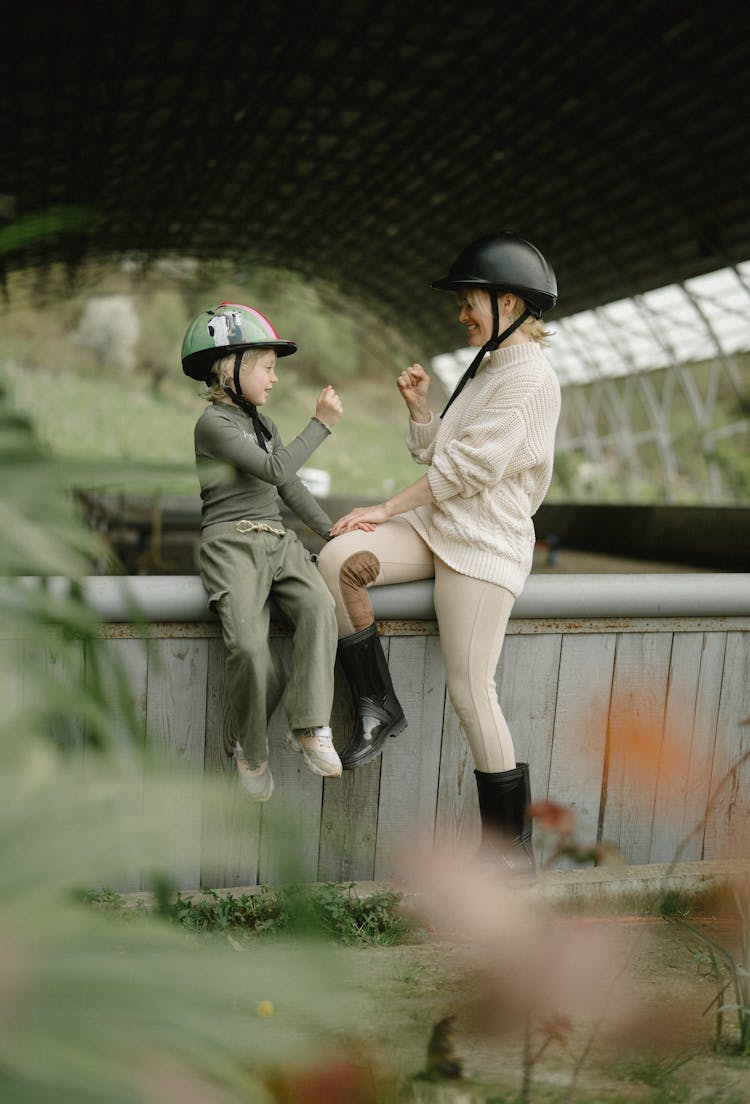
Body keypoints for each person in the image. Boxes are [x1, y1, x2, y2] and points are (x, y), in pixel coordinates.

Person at [317, 233, 560, 879]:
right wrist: (423, 410)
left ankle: (509, 849)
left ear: (509, 300)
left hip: (482, 543)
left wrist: (386, 507)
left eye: (469, 301)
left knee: (471, 690)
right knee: (337, 558)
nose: (461, 314)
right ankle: (378, 703)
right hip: (438, 522)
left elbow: (470, 471)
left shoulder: (531, 377)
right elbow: (443, 454)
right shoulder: (487, 365)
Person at [181, 301, 344, 801]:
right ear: (232, 367)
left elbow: (289, 487)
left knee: (320, 606)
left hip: (278, 540)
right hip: (232, 542)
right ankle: (250, 751)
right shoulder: (215, 425)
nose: (274, 378)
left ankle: (310, 726)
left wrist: (330, 532)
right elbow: (273, 472)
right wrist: (320, 424)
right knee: (252, 652)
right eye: (268, 367)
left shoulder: (266, 426)